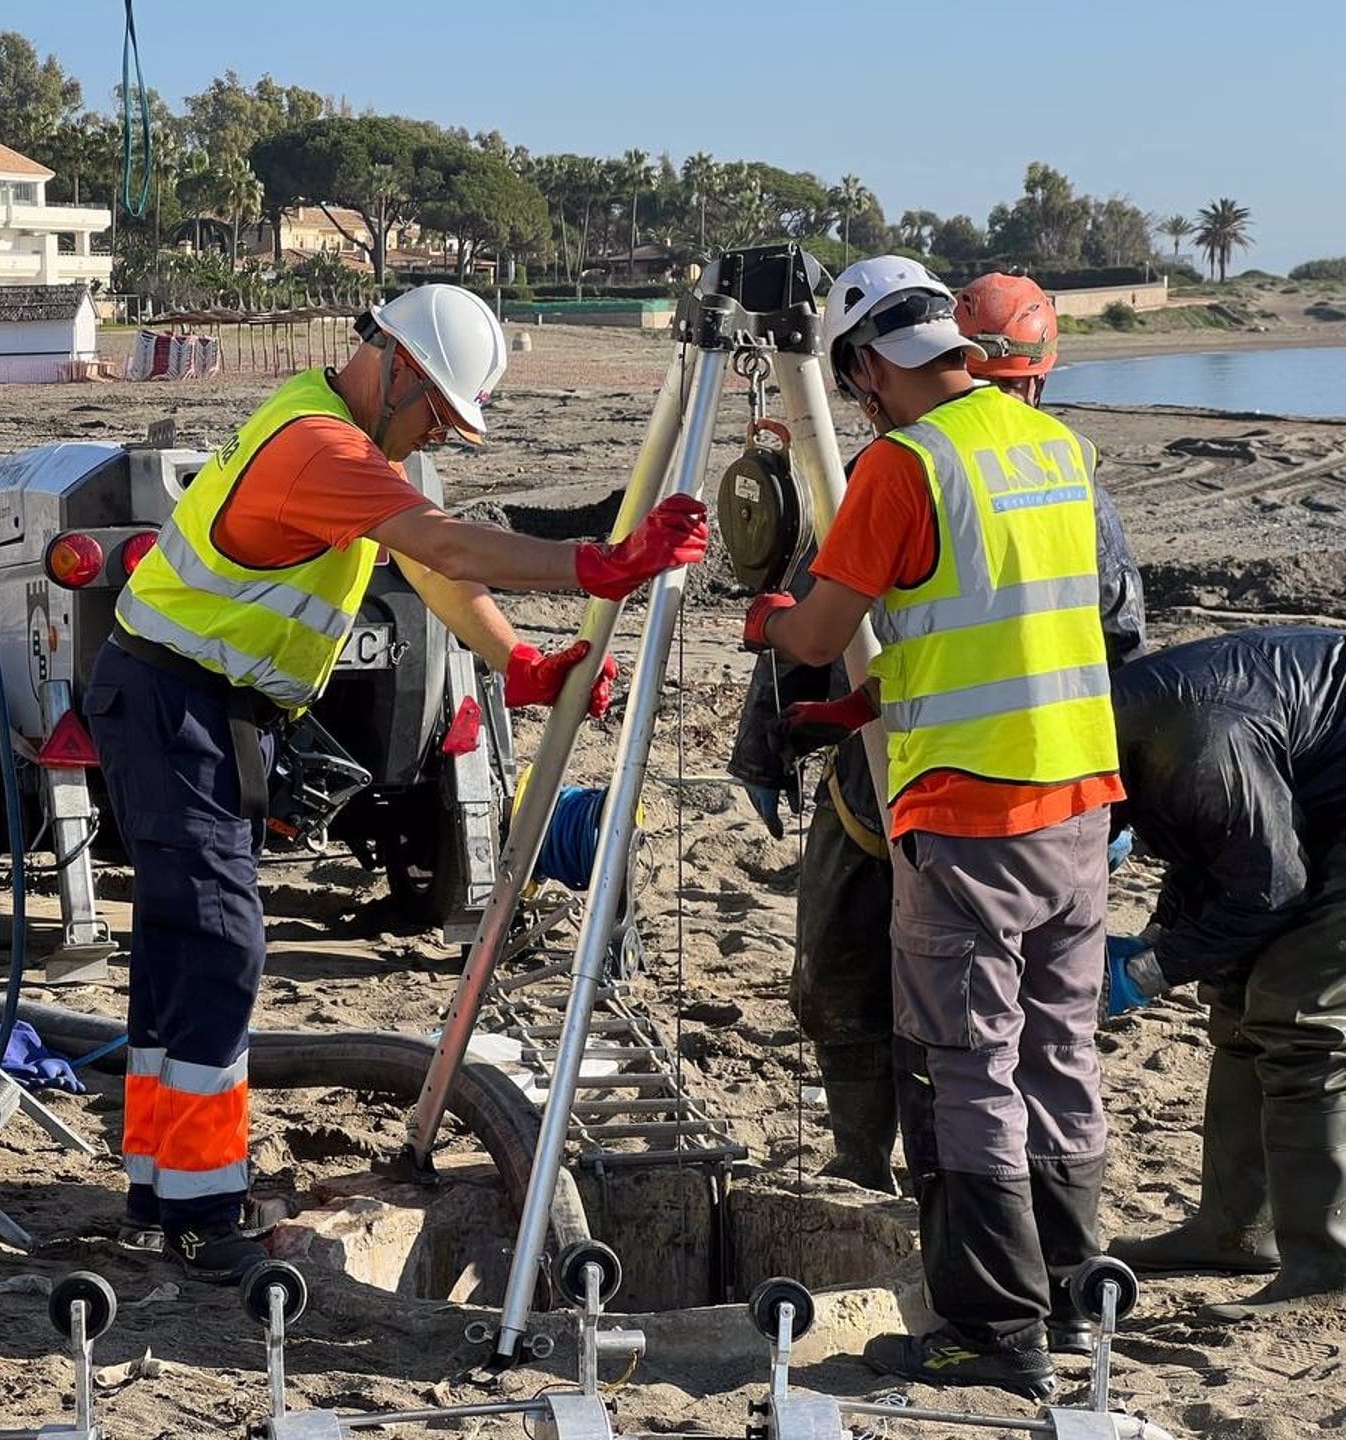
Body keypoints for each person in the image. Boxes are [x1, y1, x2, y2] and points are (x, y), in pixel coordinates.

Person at [84, 284, 711, 1284]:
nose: (439, 437)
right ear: (400, 372)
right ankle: (200, 1214)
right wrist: (601, 566)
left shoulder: (347, 440)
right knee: (217, 943)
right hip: (173, 703)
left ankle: (164, 1190)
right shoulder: (320, 450)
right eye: (437, 414)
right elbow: (449, 545)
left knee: (184, 949)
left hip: (193, 704)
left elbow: (428, 569)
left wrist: (517, 662)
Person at [743, 255, 1122, 1397]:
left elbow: (816, 630)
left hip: (969, 816)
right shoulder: (1056, 448)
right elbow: (1008, 616)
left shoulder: (906, 466)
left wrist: (773, 621)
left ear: (867, 372)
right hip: (1079, 808)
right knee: (1060, 1056)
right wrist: (879, 695)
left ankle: (993, 1337)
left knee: (963, 1069)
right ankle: (1070, 1292)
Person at [1102, 627, 1346, 1320]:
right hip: (1315, 791)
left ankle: (1326, 1268)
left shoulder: (1193, 744)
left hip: (1327, 813)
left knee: (1298, 1014)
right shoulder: (1129, 735)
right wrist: (1158, 935)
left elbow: (1272, 885)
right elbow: (1212, 848)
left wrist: (1148, 974)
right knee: (1237, 994)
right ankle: (1237, 1231)